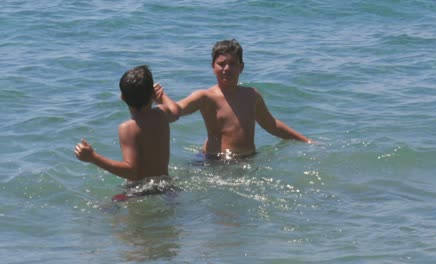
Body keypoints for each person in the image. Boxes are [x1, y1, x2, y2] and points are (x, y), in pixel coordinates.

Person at [177, 39, 315, 159]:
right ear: (213, 67)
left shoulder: (251, 96)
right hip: (214, 161)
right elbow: (177, 109)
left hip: (247, 159)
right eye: (221, 63)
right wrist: (161, 100)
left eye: (232, 63)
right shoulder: (206, 97)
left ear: (241, 67)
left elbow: (272, 125)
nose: (227, 68)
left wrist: (306, 141)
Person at [75, 65, 180, 197]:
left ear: (122, 97)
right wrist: (162, 96)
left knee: (107, 209)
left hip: (140, 190)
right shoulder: (162, 113)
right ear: (152, 94)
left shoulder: (128, 128)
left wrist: (93, 158)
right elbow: (176, 112)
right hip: (165, 186)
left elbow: (132, 171)